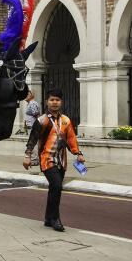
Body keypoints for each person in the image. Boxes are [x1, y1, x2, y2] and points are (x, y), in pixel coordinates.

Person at [23, 88, 85, 232]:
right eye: (52, 100)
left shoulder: (66, 120)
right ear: (47, 102)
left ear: (61, 102)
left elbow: (71, 139)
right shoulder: (42, 120)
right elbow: (32, 139)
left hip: (61, 161)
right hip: (47, 159)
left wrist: (78, 154)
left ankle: (47, 218)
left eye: (57, 100)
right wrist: (27, 156)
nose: (55, 102)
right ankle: (55, 219)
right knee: (57, 185)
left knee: (54, 189)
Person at [23, 91, 40, 165]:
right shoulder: (30, 103)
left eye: (27, 94)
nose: (26, 96)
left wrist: (38, 126)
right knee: (34, 142)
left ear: (32, 95)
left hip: (33, 126)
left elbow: (36, 114)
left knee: (33, 143)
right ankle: (35, 159)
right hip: (31, 126)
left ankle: (34, 160)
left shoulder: (32, 103)